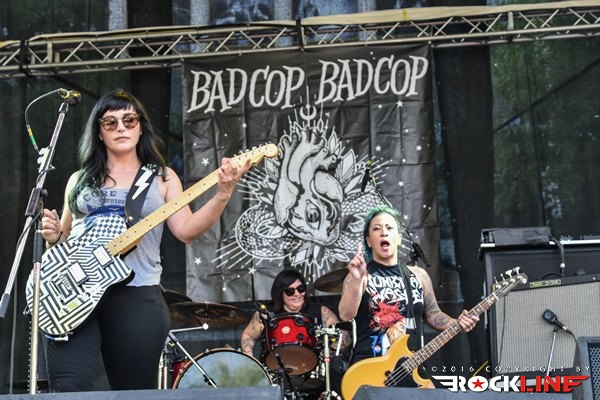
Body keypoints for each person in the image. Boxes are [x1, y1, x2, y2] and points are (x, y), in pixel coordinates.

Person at [39, 89, 250, 392]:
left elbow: (186, 230)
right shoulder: (79, 179)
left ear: (141, 127)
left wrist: (222, 193)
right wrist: (53, 236)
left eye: (129, 120)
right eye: (110, 122)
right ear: (99, 132)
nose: (121, 128)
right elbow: (64, 240)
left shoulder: (162, 177)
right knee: (68, 388)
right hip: (76, 295)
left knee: (133, 391)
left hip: (135, 293)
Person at [338, 204, 479, 386]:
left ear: (399, 238)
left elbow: (433, 315)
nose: (383, 232)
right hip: (371, 367)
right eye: (376, 229)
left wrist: (457, 323)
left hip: (410, 365)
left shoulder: (419, 275)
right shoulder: (359, 276)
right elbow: (345, 314)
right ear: (369, 241)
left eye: (389, 228)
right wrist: (357, 281)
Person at [241, 269, 347, 398]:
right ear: (280, 293)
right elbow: (248, 336)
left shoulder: (320, 311)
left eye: (301, 289)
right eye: (290, 291)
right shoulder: (265, 314)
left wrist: (336, 345)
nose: (297, 294)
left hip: (312, 373)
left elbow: (341, 334)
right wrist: (252, 362)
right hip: (275, 372)